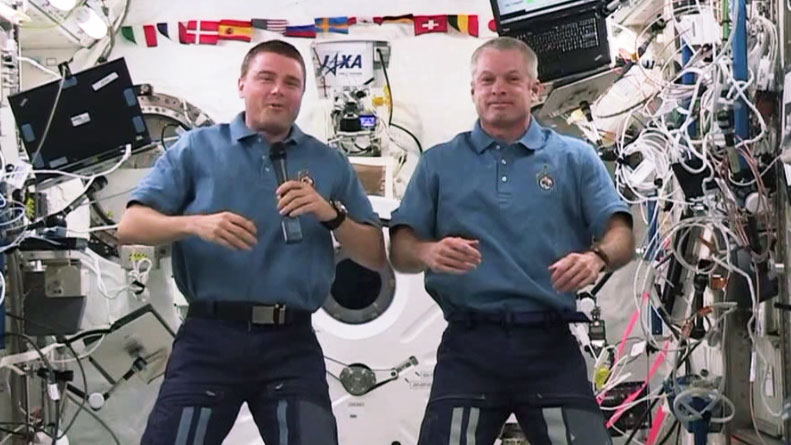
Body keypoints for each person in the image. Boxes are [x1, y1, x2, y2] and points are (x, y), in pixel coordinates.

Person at [118, 40, 386, 445]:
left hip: (291, 344)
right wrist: (195, 226)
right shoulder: (197, 149)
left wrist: (331, 215)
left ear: (301, 94)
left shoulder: (329, 163)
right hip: (209, 338)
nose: (278, 90)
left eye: (291, 83)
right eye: (266, 78)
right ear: (242, 84)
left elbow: (375, 256)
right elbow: (131, 226)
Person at [389, 37, 635, 444]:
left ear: (535, 89)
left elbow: (621, 233)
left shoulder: (574, 158)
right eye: (487, 80)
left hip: (550, 345)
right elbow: (400, 250)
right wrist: (428, 251)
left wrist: (596, 258)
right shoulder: (438, 163)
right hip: (469, 346)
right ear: (473, 91)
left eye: (512, 79)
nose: (498, 88)